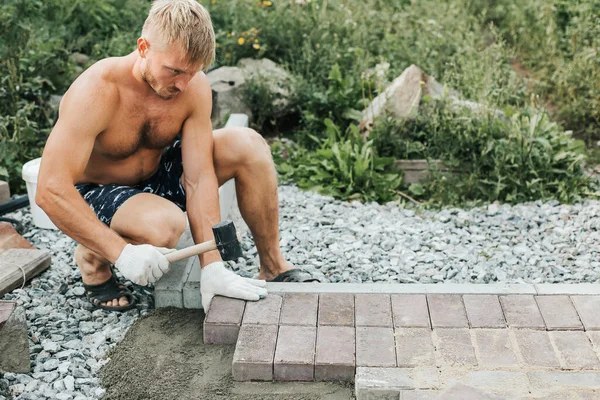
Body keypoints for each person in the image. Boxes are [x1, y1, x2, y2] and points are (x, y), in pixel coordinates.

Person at [36, 0, 317, 313]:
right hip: (101, 189)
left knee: (246, 144)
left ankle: (273, 266)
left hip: (156, 173)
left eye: (194, 72)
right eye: (174, 71)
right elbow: (49, 188)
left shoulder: (192, 86)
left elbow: (198, 176)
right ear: (143, 47)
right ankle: (92, 259)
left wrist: (213, 267)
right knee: (165, 227)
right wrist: (122, 253)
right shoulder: (97, 91)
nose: (183, 84)